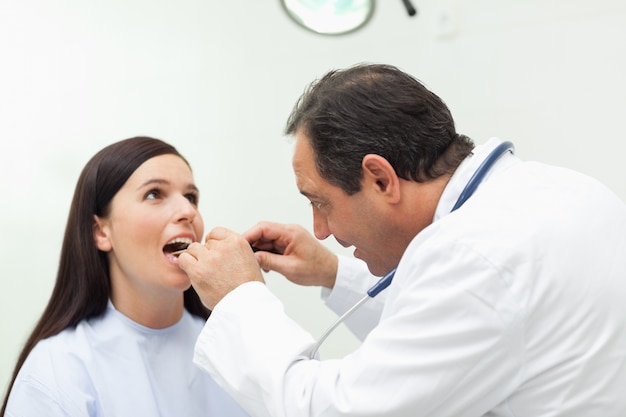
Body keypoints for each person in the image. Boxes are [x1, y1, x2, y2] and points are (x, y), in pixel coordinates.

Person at [179, 63, 626, 417]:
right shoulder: (560, 191)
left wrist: (240, 299)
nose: (321, 230)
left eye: (321, 202)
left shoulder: (473, 255)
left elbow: (330, 409)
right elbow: (453, 345)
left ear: (379, 178)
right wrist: (333, 273)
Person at [1, 136, 249, 417]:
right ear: (101, 232)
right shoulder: (55, 371)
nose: (188, 211)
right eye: (154, 194)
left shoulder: (234, 349)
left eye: (191, 197)